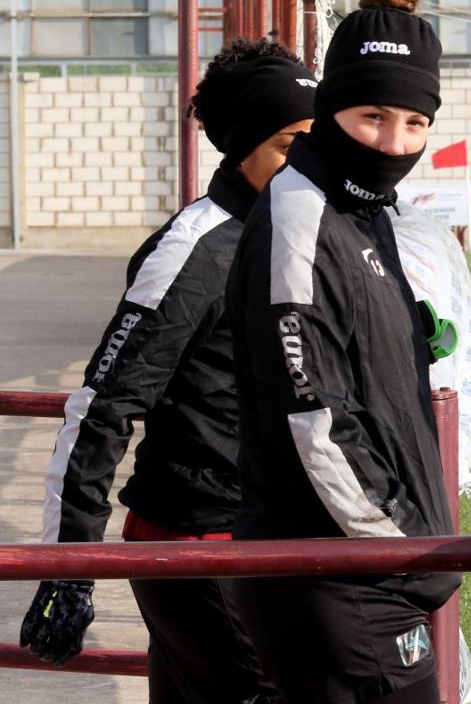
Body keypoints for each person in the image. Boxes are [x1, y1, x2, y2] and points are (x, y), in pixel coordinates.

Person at [20, 38, 316, 702]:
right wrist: (69, 567)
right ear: (241, 147)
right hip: (197, 540)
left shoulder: (301, 228)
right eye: (288, 143)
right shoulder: (194, 251)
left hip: (269, 534)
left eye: (315, 138)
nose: (308, 160)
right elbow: (102, 406)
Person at [226, 0, 461, 704]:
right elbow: (314, 419)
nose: (395, 142)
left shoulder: (364, 209)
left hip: (370, 575)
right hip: (343, 579)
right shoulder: (302, 216)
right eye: (373, 117)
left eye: (416, 124)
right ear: (329, 108)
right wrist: (408, 546)